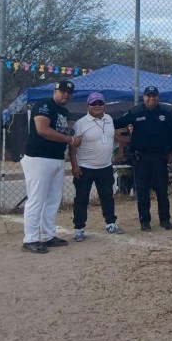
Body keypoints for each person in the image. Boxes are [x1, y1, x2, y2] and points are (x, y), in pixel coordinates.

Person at [20, 80, 78, 253]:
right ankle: (30, 239)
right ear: (55, 91)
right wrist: (70, 140)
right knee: (36, 199)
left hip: (56, 158)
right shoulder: (44, 105)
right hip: (39, 158)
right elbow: (42, 129)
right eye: (63, 91)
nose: (66, 94)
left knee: (53, 199)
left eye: (69, 92)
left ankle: (48, 235)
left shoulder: (64, 111)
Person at [114, 85, 172, 231]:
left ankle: (165, 220)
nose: (151, 98)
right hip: (141, 159)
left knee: (162, 191)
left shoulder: (166, 112)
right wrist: (102, 118)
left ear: (158, 97)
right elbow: (118, 123)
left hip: (160, 158)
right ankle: (145, 221)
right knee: (142, 192)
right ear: (144, 97)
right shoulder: (135, 112)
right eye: (149, 96)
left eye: (154, 96)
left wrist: (171, 153)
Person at [69, 92, 123, 241]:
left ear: (104, 105)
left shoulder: (109, 119)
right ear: (88, 106)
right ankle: (79, 228)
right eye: (94, 104)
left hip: (105, 166)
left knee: (107, 197)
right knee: (81, 199)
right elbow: (73, 147)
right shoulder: (80, 123)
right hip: (85, 167)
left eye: (100, 103)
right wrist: (74, 166)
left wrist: (123, 144)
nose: (97, 106)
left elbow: (113, 136)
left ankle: (110, 223)